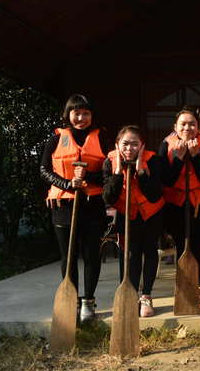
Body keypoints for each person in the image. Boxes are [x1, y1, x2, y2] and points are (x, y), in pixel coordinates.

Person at [40, 94, 107, 324]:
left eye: (85, 113)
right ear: (68, 115)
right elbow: (44, 170)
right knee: (68, 257)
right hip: (63, 206)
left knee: (90, 255)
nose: (81, 118)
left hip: (92, 205)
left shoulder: (100, 138)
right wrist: (68, 184)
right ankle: (72, 301)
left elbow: (108, 173)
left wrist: (88, 176)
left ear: (92, 116)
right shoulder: (56, 139)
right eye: (76, 113)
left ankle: (88, 301)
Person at [102, 126, 165, 317]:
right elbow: (108, 197)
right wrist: (118, 173)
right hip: (127, 215)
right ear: (117, 145)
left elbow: (155, 194)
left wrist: (141, 173)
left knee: (150, 252)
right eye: (125, 144)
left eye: (135, 144)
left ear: (142, 146)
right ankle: (130, 295)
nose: (129, 148)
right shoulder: (110, 161)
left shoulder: (152, 160)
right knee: (131, 255)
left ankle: (146, 296)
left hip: (151, 214)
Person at [159, 106, 200, 313]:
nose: (187, 128)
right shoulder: (166, 145)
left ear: (198, 127)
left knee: (197, 246)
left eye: (192, 124)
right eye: (183, 124)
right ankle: (184, 288)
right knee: (182, 248)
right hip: (175, 204)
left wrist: (195, 155)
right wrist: (179, 157)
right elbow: (167, 179)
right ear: (176, 126)